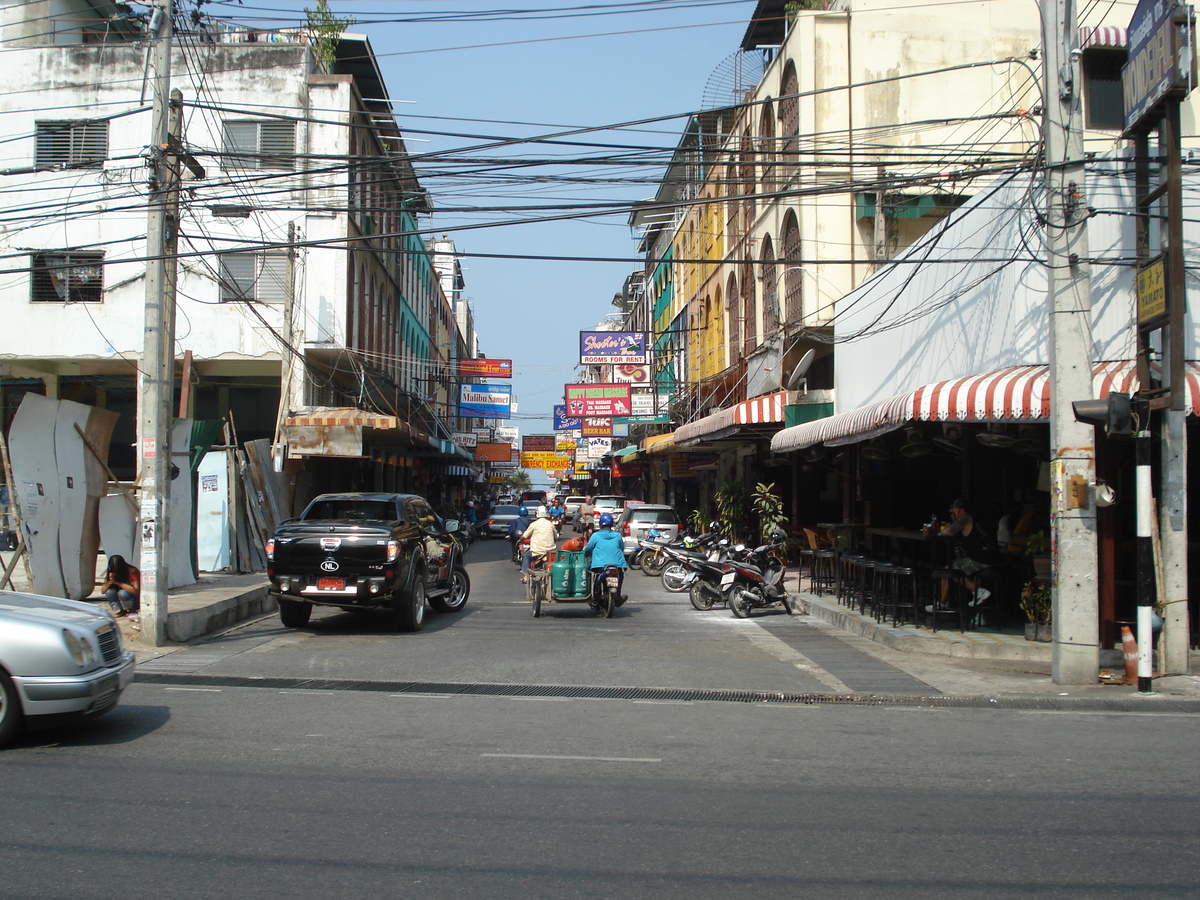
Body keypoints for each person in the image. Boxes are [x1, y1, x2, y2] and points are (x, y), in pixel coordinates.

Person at [927, 498, 994, 612]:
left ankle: (977, 591)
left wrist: (936, 530)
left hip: (980, 558)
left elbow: (946, 533)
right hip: (991, 556)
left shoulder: (965, 518)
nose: (953, 515)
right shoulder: (977, 519)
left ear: (958, 510)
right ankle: (946, 602)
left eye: (953, 512)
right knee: (951, 568)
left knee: (947, 571)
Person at [583, 512, 628, 605]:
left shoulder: (595, 536)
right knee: (620, 576)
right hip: (617, 565)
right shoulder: (617, 535)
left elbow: (588, 548)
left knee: (594, 577)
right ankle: (618, 596)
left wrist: (586, 553)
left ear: (600, 524)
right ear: (611, 524)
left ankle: (596, 594)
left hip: (599, 565)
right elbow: (621, 547)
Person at [520, 507, 559, 584]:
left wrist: (521, 540)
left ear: (537, 514)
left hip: (536, 552)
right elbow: (556, 537)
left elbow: (524, 536)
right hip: (551, 552)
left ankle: (525, 576)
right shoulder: (550, 524)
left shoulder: (534, 524)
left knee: (526, 556)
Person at [508, 505, 532, 573]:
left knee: (513, 542)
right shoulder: (530, 521)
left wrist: (509, 534)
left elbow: (511, 530)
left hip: (518, 537)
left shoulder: (515, 521)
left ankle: (514, 555)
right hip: (527, 538)